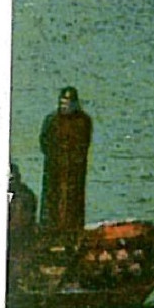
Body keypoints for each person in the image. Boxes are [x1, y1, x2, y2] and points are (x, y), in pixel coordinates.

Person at [39, 87, 93, 234]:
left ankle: (72, 232)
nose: (64, 106)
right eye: (62, 103)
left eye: (67, 103)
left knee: (72, 203)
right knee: (52, 202)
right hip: (54, 168)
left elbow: (83, 144)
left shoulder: (83, 121)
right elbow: (44, 141)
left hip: (74, 171)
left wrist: (73, 159)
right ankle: (50, 231)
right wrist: (54, 156)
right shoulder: (52, 120)